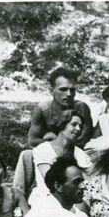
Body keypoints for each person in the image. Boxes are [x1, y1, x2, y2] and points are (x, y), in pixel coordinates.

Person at [13, 67, 93, 196]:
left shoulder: (81, 107)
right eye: (63, 89)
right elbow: (33, 140)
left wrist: (55, 139)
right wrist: (51, 144)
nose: (69, 94)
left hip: (76, 152)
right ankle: (19, 194)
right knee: (26, 155)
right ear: (52, 91)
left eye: (72, 90)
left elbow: (83, 139)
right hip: (48, 152)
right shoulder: (42, 109)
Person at [29, 110, 92, 206]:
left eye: (80, 126)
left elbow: (87, 182)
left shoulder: (81, 154)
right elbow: (50, 181)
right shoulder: (43, 149)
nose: (78, 129)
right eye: (74, 124)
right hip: (46, 198)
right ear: (62, 124)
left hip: (72, 200)